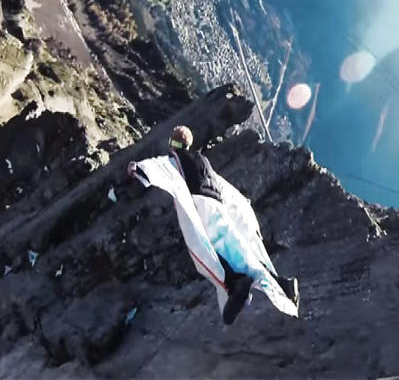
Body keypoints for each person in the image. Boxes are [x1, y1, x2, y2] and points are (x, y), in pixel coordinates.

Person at [128, 125, 299, 324]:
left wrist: (138, 168)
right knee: (241, 253)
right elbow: (226, 189)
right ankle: (281, 285)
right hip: (220, 210)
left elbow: (159, 167)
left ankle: (235, 286)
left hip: (202, 209)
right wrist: (245, 214)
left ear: (173, 144)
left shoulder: (175, 160)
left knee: (208, 253)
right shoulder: (204, 162)